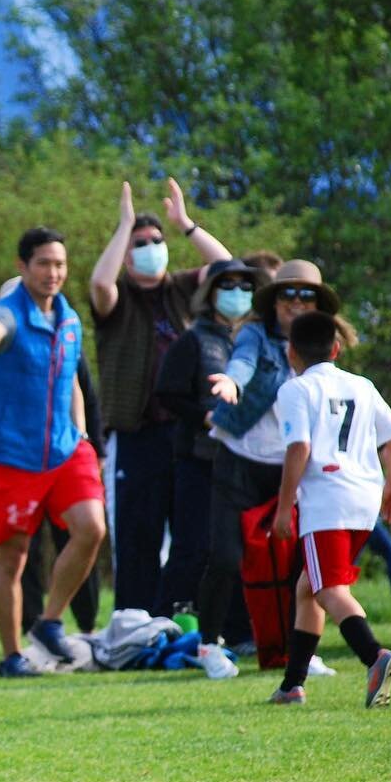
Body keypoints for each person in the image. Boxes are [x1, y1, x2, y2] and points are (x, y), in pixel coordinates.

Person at [0, 226, 106, 675]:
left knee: (92, 528)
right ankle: (11, 656)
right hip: (12, 455)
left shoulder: (70, 319)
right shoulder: (10, 312)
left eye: (59, 264)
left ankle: (50, 621)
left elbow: (72, 381)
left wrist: (81, 434)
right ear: (23, 267)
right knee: (14, 556)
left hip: (64, 449)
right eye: (43, 263)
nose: (52, 272)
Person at [89, 179, 231, 614]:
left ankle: (179, 618)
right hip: (136, 434)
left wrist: (186, 225)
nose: (150, 247)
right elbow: (99, 283)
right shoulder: (118, 301)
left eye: (156, 240)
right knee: (137, 534)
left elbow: (228, 266)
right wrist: (124, 226)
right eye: (140, 243)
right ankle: (134, 624)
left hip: (186, 432)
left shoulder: (182, 290)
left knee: (191, 533)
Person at [200, 260, 344, 675]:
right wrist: (231, 382)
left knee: (302, 563)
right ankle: (209, 646)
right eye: (287, 295)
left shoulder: (324, 349)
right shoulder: (254, 335)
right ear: (273, 302)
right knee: (226, 557)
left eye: (306, 296)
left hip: (291, 467)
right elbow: (243, 362)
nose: (296, 303)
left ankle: (301, 652)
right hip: (239, 459)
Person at [268, 310, 391, 707]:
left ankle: (374, 656)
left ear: (290, 352)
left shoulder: (295, 390)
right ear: (336, 348)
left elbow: (300, 448)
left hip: (327, 499)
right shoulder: (361, 385)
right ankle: (292, 685)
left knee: (329, 589)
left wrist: (283, 508)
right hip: (364, 497)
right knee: (308, 588)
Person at [152, 258, 268, 639]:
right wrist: (204, 417)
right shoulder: (194, 339)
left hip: (244, 462)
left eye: (245, 286)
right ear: (210, 292)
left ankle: (236, 630)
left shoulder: (255, 341)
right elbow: (167, 393)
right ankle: (168, 627)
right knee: (193, 546)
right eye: (228, 286)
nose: (238, 294)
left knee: (236, 551)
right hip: (198, 460)